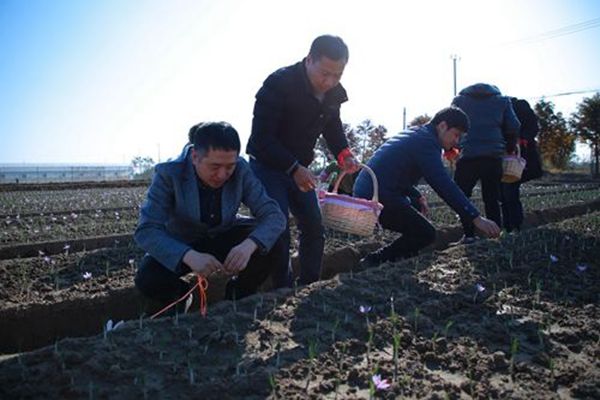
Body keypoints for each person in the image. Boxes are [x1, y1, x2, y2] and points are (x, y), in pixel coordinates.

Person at [134, 122, 286, 310]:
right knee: (148, 278)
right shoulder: (169, 173)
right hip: (183, 242)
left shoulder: (241, 169)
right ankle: (183, 298)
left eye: (229, 166)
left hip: (223, 234)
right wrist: (188, 255)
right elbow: (147, 230)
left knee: (271, 243)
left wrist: (248, 245)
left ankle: (239, 296)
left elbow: (273, 215)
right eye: (214, 167)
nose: (222, 175)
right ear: (195, 157)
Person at [247, 34, 359, 288]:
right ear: (309, 60)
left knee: (313, 226)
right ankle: (283, 289)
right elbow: (262, 138)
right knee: (279, 229)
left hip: (300, 169)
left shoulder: (333, 94)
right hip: (268, 167)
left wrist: (343, 152)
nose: (330, 81)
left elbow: (332, 126)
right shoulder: (278, 84)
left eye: (338, 75)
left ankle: (309, 284)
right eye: (325, 73)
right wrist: (293, 167)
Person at [354, 107, 501, 267]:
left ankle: (406, 259)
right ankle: (375, 261)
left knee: (416, 207)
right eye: (456, 135)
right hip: (376, 196)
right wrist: (475, 217)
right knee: (426, 234)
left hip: (370, 190)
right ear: (443, 126)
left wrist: (417, 195)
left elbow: (393, 171)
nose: (456, 141)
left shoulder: (418, 134)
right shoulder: (427, 143)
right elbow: (442, 183)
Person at [451, 83, 521, 243]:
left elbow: (451, 122)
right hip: (493, 157)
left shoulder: (460, 101)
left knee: (462, 197)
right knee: (491, 198)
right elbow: (514, 126)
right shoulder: (503, 101)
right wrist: (509, 146)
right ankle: (494, 235)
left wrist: (454, 146)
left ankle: (469, 235)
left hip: (468, 156)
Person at [501, 97, 542, 232]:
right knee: (502, 194)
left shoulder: (519, 106)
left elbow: (533, 127)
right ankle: (508, 226)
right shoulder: (494, 110)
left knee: (510, 191)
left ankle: (515, 226)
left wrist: (522, 138)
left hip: (519, 159)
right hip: (501, 158)